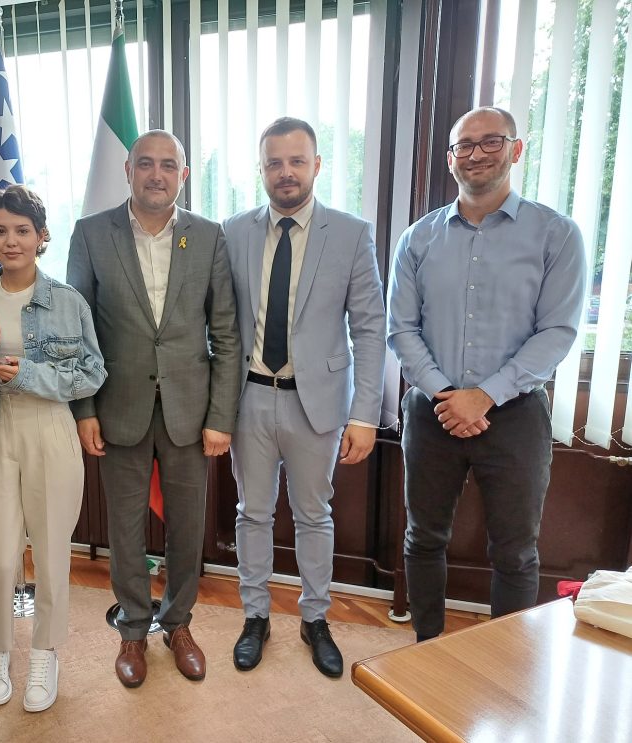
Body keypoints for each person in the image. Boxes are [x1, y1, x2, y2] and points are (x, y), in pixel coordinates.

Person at [387, 107, 586, 642]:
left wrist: (485, 396)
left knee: (515, 551)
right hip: (432, 412)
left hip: (516, 414)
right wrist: (446, 394)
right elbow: (401, 329)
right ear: (450, 159)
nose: (476, 153)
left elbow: (557, 332)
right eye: (464, 145)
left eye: (490, 141)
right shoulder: (418, 239)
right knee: (423, 538)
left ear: (515, 150)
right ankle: (426, 649)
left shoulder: (556, 234)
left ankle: (503, 663)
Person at [67, 130, 241, 688]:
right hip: (118, 407)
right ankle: (133, 630)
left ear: (183, 175)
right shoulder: (92, 233)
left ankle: (179, 623)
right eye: (146, 163)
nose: (157, 174)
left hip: (191, 410)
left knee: (188, 528)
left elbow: (226, 333)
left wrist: (221, 417)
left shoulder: (208, 236)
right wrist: (84, 409)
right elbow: (77, 333)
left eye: (169, 165)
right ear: (128, 170)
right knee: (124, 529)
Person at [222, 117, 386, 678]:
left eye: (297, 161)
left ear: (317, 165)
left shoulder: (351, 234)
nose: (286, 172)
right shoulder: (233, 232)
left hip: (318, 402)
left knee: (314, 514)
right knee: (252, 512)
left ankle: (315, 618)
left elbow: (370, 328)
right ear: (262, 169)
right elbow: (219, 323)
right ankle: (255, 616)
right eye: (275, 162)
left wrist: (365, 414)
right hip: (249, 397)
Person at [0, 185, 106, 712]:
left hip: (50, 429)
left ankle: (44, 652)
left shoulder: (68, 301)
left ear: (41, 236)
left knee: (53, 550)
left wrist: (28, 374)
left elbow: (92, 372)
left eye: (21, 231)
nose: (10, 241)